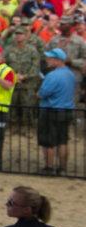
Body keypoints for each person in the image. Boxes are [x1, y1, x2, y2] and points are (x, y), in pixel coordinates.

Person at [37, 48, 76, 176]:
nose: (47, 60)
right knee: (62, 140)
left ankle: (49, 167)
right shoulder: (71, 74)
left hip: (51, 111)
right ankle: (62, 169)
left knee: (49, 141)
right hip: (66, 110)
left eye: (50, 58)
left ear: (58, 60)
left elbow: (43, 93)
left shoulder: (52, 75)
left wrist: (38, 94)